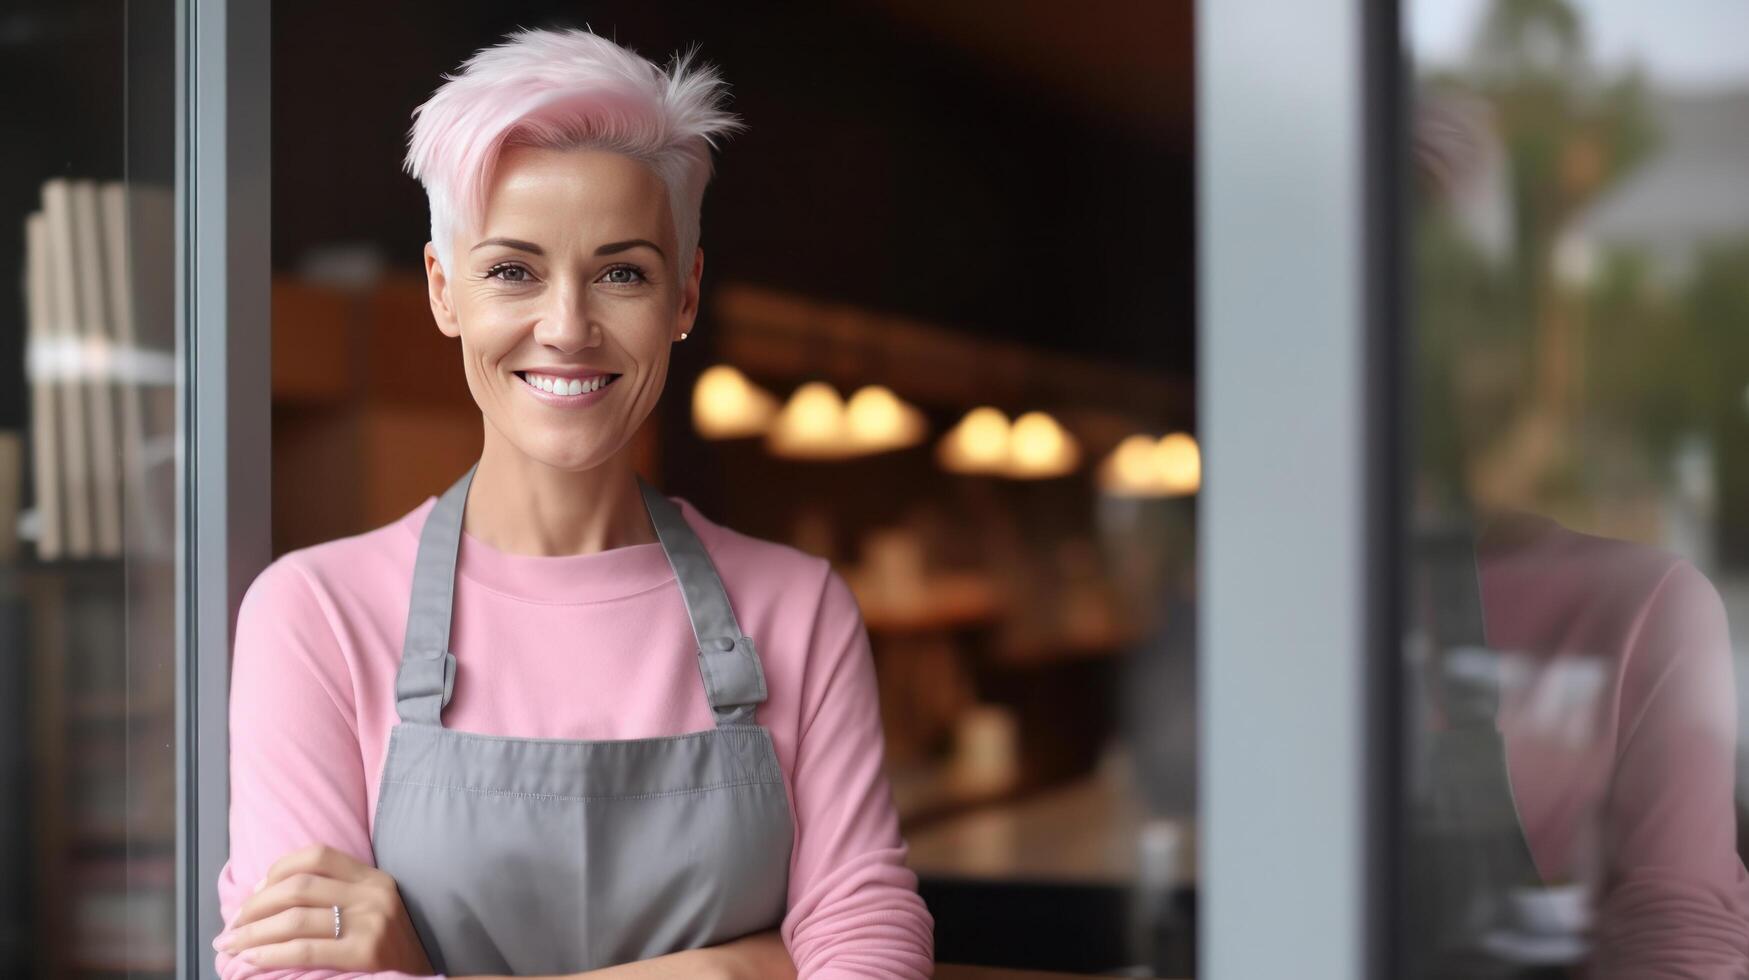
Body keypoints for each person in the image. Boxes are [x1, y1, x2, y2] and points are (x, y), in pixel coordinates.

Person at [209, 27, 934, 979]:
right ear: (445, 290)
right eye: (512, 270)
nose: (566, 327)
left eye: (622, 272)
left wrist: (419, 966)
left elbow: (868, 941)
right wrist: (735, 968)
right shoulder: (313, 616)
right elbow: (293, 968)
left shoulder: (797, 610)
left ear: (685, 294)